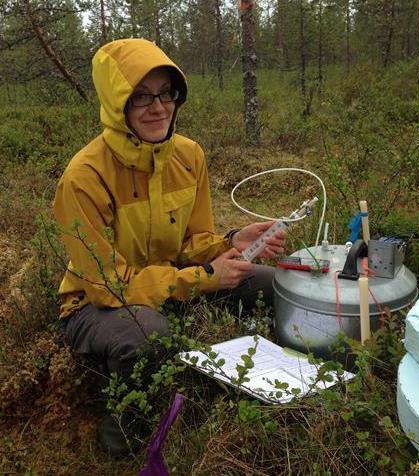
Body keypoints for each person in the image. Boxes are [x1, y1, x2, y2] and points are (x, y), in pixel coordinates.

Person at [54, 38, 286, 456]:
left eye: (166, 93)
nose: (158, 107)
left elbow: (193, 240)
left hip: (173, 284)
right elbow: (109, 286)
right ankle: (124, 432)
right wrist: (204, 280)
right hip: (94, 305)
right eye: (140, 96)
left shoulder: (188, 155)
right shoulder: (84, 178)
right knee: (148, 334)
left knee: (275, 284)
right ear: (115, 103)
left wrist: (231, 241)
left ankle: (277, 383)